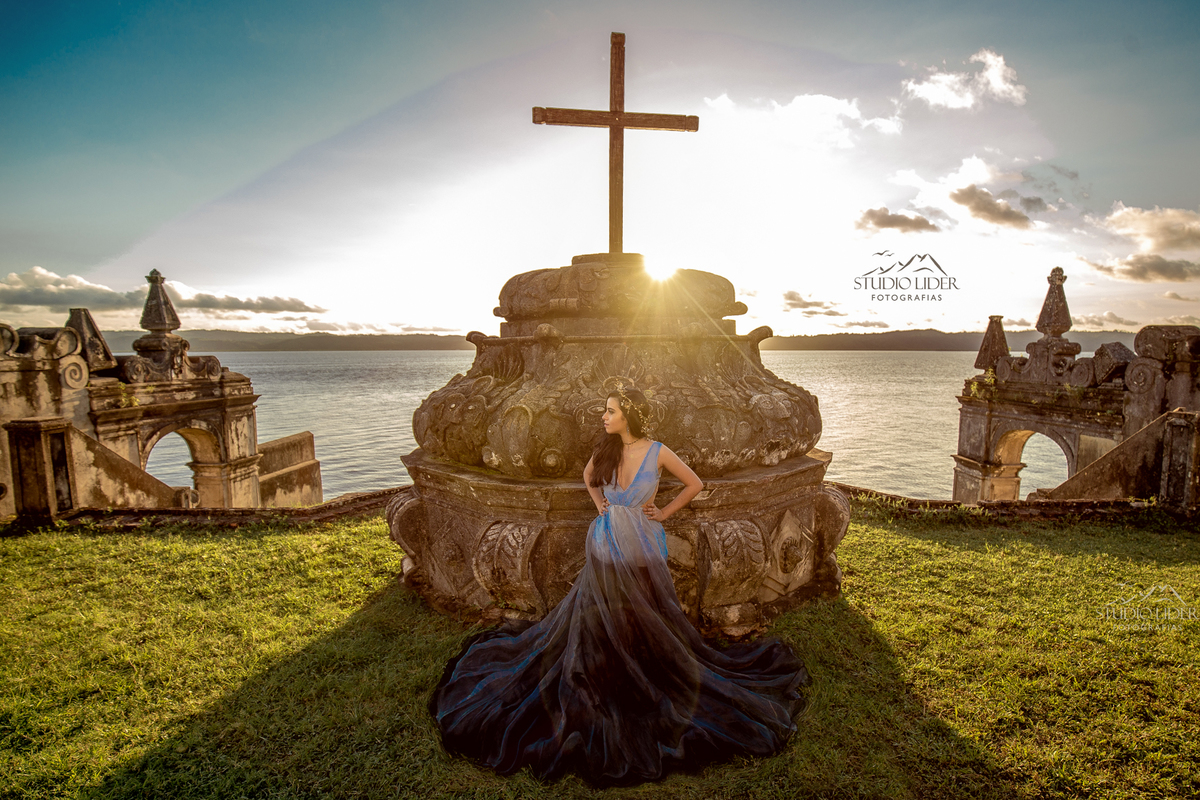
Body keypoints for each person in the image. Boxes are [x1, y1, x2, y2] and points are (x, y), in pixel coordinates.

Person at [428, 386, 808, 786]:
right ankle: (608, 671)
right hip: (607, 540)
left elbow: (695, 484)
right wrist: (598, 505)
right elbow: (588, 478)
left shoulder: (658, 450)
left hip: (642, 542)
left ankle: (640, 673)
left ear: (629, 414)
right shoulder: (606, 450)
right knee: (604, 610)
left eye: (610, 411)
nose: (604, 417)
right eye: (605, 411)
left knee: (643, 610)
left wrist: (663, 511)